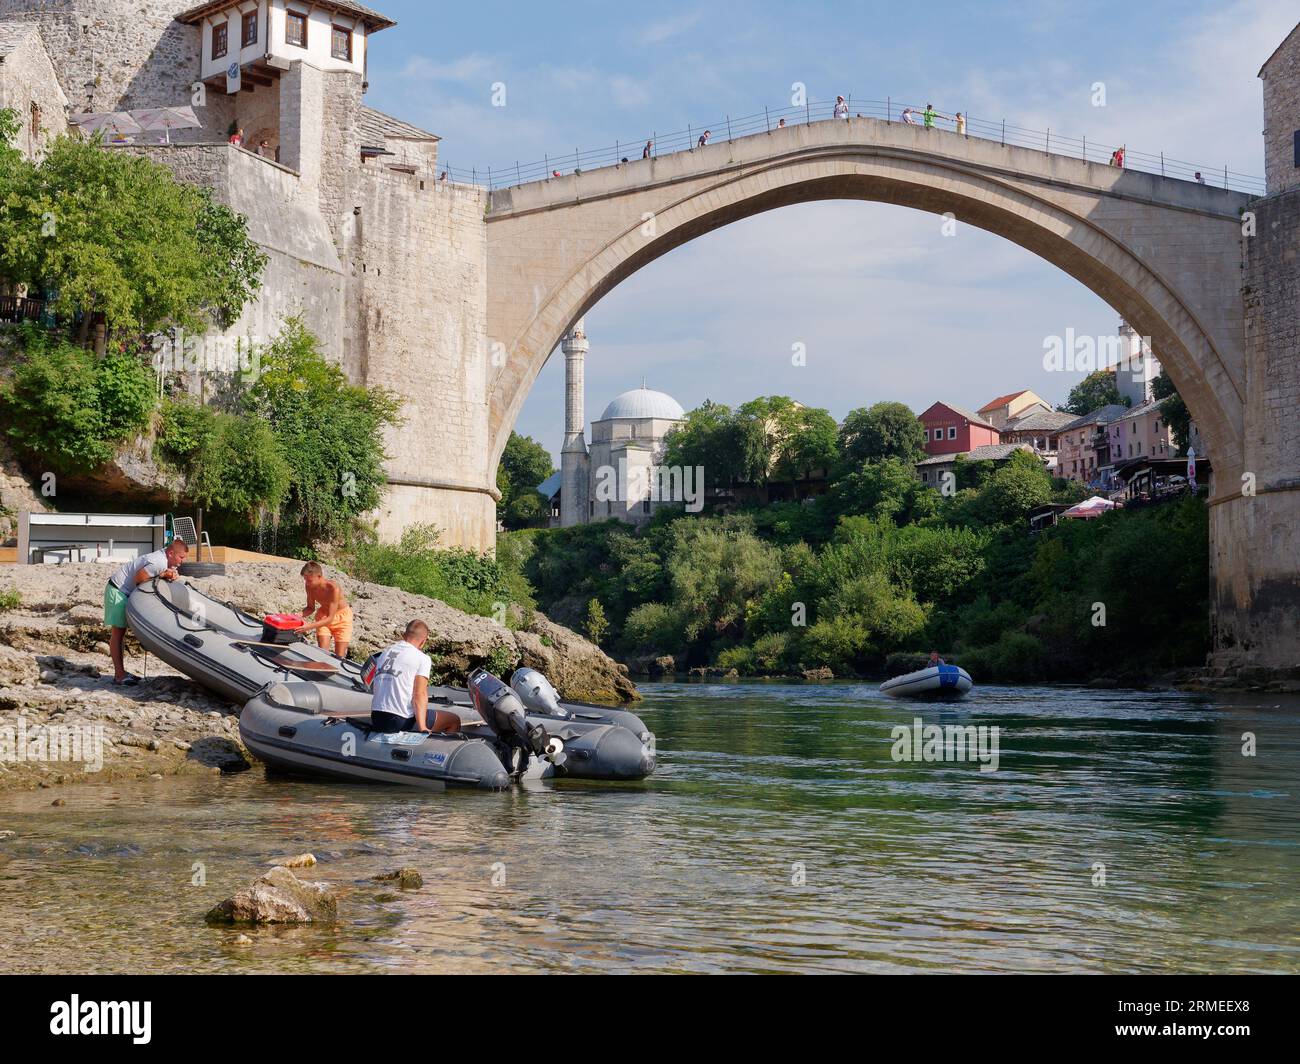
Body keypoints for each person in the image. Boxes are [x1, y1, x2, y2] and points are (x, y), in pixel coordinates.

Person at [104, 540, 188, 685]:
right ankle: (119, 675)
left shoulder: (163, 559)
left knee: (120, 634)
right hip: (118, 590)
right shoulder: (158, 562)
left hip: (123, 591)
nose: (183, 561)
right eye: (181, 557)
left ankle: (121, 673)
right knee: (118, 634)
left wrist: (169, 574)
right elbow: (139, 580)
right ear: (171, 553)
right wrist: (162, 575)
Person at [369, 620, 459, 734]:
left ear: (404, 635)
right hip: (400, 720)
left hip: (377, 718)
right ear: (423, 642)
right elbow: (419, 694)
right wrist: (422, 727)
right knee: (453, 720)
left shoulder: (384, 653)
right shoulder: (422, 658)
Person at [297, 562, 354, 660]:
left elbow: (330, 618)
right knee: (322, 653)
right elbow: (310, 608)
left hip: (342, 618)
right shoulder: (309, 586)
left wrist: (308, 627)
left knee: (339, 657)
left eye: (309, 580)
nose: (306, 583)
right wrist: (298, 615)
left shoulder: (333, 588)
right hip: (323, 616)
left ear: (319, 576)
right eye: (305, 580)